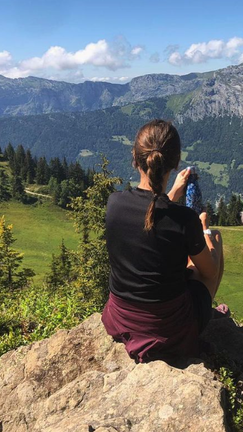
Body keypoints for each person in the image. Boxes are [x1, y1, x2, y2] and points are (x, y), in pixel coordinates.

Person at [101, 119, 225, 363]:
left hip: (120, 318)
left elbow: (148, 220)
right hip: (169, 330)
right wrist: (204, 232)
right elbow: (209, 271)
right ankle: (206, 315)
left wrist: (171, 195)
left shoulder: (114, 204)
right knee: (215, 244)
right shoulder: (184, 219)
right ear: (175, 162)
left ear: (135, 158)